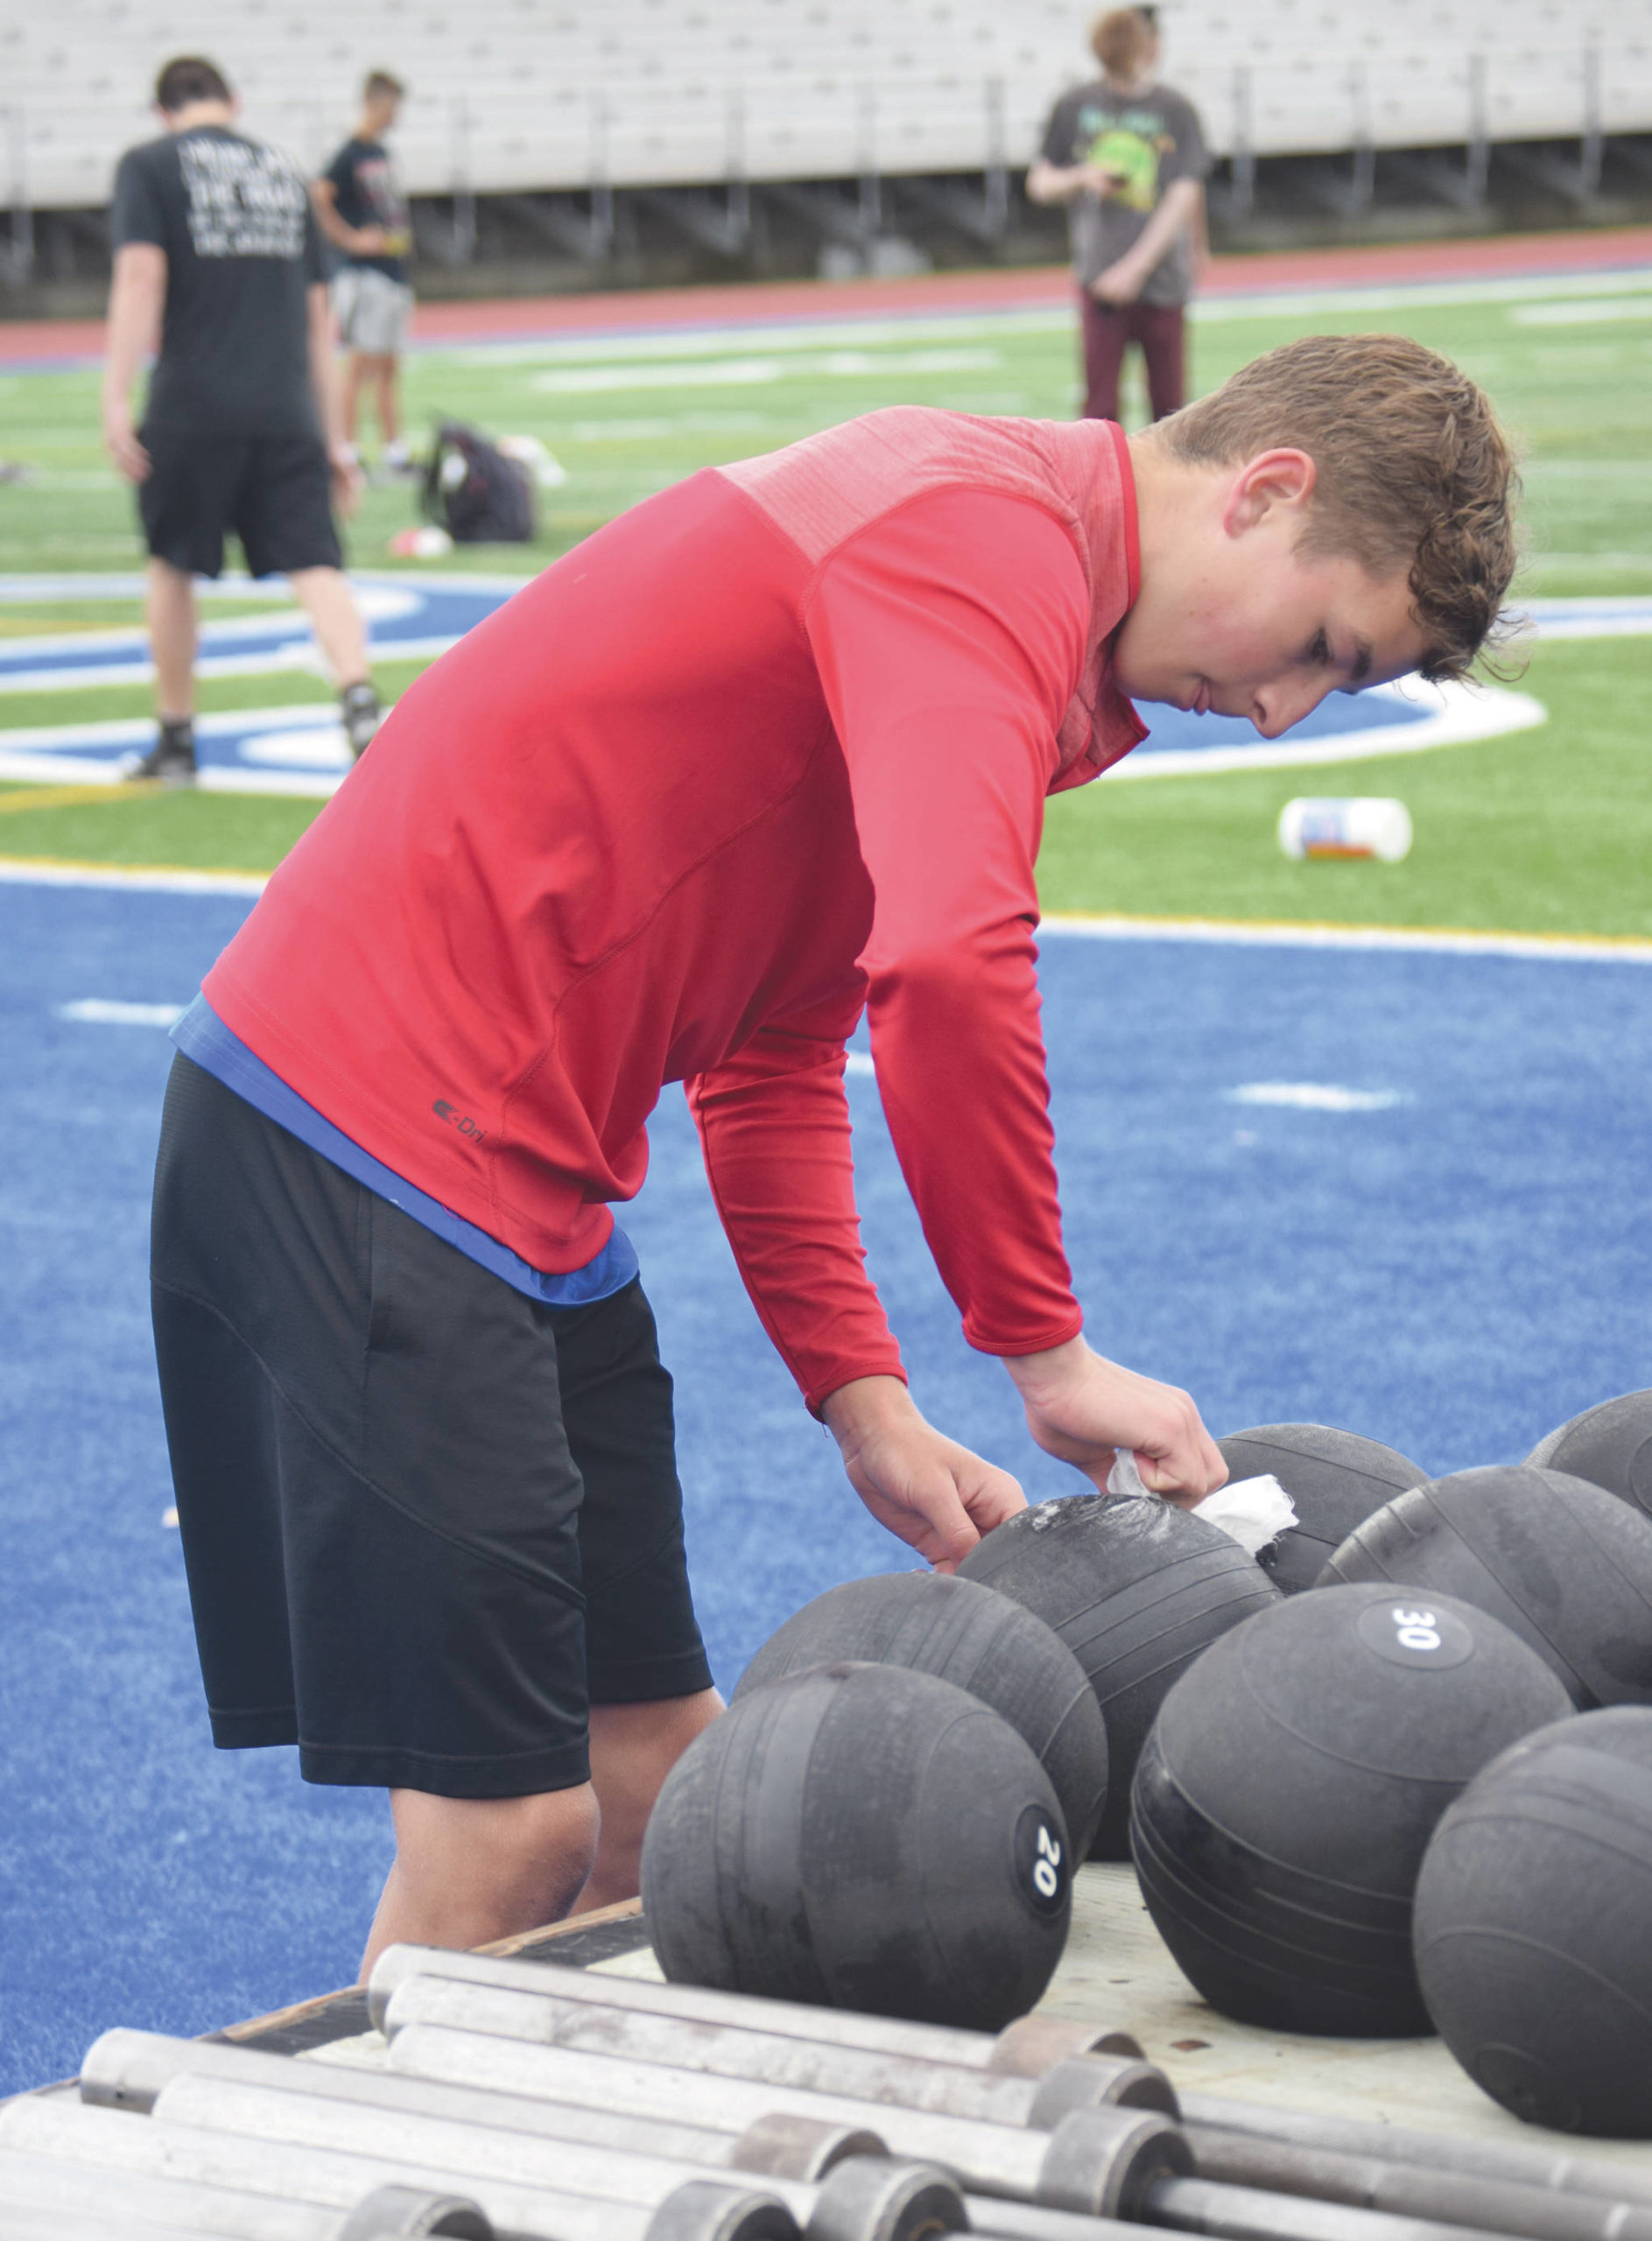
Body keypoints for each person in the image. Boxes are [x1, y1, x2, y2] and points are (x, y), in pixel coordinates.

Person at [147, 333, 1517, 1977]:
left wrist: (868, 1406)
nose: (1287, 718)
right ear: (1264, 491)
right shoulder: (974, 537)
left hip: (517, 1188)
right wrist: (1044, 1350)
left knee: (660, 1793)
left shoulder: (1027, 595)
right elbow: (945, 965)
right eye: (1319, 645)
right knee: (517, 1834)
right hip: (353, 1137)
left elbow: (779, 1051)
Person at [102, 56, 382, 785]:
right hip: (286, 403)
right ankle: (358, 702)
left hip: (193, 402)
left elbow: (140, 275)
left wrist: (113, 396)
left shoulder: (149, 164)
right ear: (232, 100)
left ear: (164, 111)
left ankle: (176, 738)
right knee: (317, 562)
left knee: (171, 566)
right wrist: (335, 441)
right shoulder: (284, 170)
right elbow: (320, 319)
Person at [1028, 7, 1209, 425]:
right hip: (1098, 274)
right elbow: (1040, 182)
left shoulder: (1175, 109)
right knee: (1099, 410)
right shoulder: (1075, 105)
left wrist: (1141, 266)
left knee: (1170, 411)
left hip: (1161, 275)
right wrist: (1083, 176)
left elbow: (1184, 194)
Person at [313, 73, 417, 478]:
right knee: (358, 365)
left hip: (392, 270)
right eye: (391, 106)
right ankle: (348, 449)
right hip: (363, 274)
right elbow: (319, 196)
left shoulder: (382, 151)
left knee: (388, 366)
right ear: (373, 103)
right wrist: (350, 239)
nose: (394, 116)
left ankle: (394, 450)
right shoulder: (349, 153)